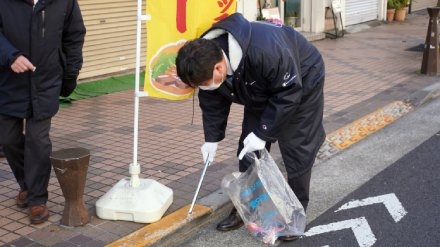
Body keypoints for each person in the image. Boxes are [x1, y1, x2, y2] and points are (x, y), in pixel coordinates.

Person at [176, 13, 325, 241]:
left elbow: (288, 93)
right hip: (261, 88)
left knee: (297, 147)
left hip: (301, 81)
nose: (204, 88)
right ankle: (248, 208)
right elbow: (213, 100)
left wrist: (264, 131)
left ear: (218, 67)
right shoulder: (206, 62)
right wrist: (212, 139)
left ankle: (295, 213)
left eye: (204, 84)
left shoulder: (265, 50)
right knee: (248, 150)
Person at [0, 0, 86, 224]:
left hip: (46, 78)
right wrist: (11, 55)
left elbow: (74, 34)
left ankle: (37, 199)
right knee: (7, 139)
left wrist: (71, 72)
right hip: (8, 80)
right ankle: (27, 185)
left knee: (38, 140)